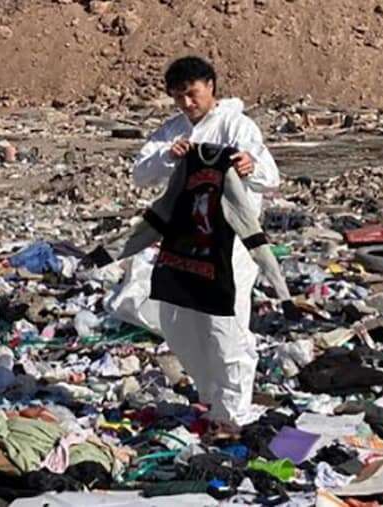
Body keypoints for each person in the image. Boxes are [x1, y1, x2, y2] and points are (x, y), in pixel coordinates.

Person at [105, 56, 283, 429]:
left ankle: (232, 413)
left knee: (225, 327)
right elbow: (141, 174)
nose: (187, 103)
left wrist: (249, 166)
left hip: (228, 243)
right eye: (179, 97)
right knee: (178, 322)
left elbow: (270, 176)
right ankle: (211, 395)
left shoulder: (237, 125)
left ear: (210, 87)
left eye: (192, 94)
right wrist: (170, 157)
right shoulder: (173, 131)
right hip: (184, 243)